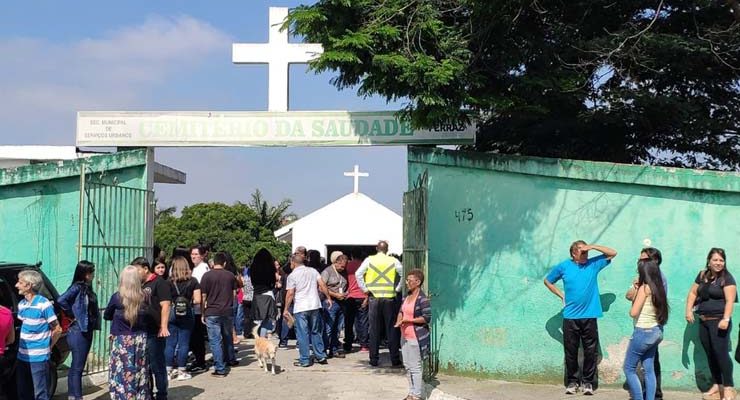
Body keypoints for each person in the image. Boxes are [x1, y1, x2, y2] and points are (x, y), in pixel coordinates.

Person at [543, 240, 618, 395]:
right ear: (573, 253)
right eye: (582, 252)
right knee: (571, 351)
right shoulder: (564, 266)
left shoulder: (593, 264)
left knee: (591, 351)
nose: (586, 254)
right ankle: (572, 382)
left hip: (590, 316)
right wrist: (561, 295)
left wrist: (593, 246)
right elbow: (548, 281)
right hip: (570, 317)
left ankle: (588, 383)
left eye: (586, 252)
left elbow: (613, 253)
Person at [686, 248, 736, 400]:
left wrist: (726, 319)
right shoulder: (702, 275)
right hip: (703, 321)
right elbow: (693, 293)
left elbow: (730, 301)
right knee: (710, 355)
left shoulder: (727, 278)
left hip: (719, 321)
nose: (718, 263)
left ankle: (728, 387)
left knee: (721, 354)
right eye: (715, 260)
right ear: (709, 261)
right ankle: (717, 384)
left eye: (721, 260)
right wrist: (688, 310)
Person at [623, 259, 668, 400]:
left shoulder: (644, 288)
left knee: (629, 368)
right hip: (656, 331)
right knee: (649, 370)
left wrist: (637, 289)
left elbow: (633, 312)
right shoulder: (658, 287)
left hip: (643, 331)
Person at [104, 265, 150, 400]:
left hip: (122, 340)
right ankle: (139, 395)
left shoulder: (117, 297)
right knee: (140, 369)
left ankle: (121, 395)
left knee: (121, 369)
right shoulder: (145, 297)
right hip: (140, 339)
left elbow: (107, 315)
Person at [14, 270, 62, 400]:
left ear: (29, 285)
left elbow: (57, 329)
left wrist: (48, 347)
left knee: (40, 393)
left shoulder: (43, 304)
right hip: (22, 356)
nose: (16, 285)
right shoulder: (22, 305)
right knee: (23, 392)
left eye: (20, 282)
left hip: (38, 358)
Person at [57, 261, 101, 400]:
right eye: (90, 272)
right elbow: (61, 300)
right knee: (77, 366)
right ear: (84, 273)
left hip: (86, 330)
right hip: (77, 331)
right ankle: (76, 396)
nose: (92, 275)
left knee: (78, 366)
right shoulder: (77, 287)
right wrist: (72, 314)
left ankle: (74, 395)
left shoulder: (87, 288)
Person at [356, 241, 404, 367]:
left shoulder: (369, 260)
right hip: (389, 297)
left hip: (374, 298)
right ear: (387, 249)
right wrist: (397, 289)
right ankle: (395, 359)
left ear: (376, 248)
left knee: (374, 330)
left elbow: (358, 274)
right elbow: (403, 274)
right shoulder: (393, 261)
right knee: (391, 329)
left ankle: (373, 359)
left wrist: (365, 289)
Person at [132, 257, 171, 400]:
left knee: (157, 364)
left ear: (145, 269)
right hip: (141, 329)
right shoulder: (139, 284)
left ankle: (162, 393)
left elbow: (166, 305)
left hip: (155, 331)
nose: (135, 274)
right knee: (144, 365)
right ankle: (147, 392)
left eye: (137, 270)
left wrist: (163, 326)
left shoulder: (159, 283)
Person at [284, 253, 333, 367]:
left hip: (301, 307)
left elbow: (290, 293)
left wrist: (286, 308)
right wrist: (328, 298)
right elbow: (322, 285)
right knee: (316, 331)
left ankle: (305, 359)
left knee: (302, 334)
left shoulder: (292, 276)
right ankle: (320, 356)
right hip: (315, 305)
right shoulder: (313, 271)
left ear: (293, 263)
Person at [395, 269, 432, 400]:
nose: (407, 283)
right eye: (407, 280)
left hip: (416, 337)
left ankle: (417, 395)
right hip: (404, 335)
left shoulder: (423, 299)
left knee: (415, 366)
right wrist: (399, 320)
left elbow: (426, 318)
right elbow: (401, 310)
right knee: (407, 365)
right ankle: (411, 392)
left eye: (410, 280)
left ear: (418, 282)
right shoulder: (406, 297)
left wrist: (408, 320)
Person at [200, 252, 238, 377]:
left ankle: (220, 368)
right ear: (225, 263)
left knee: (215, 340)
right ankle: (231, 359)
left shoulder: (206, 276)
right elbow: (234, 294)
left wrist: (202, 312)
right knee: (227, 337)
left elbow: (203, 296)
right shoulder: (230, 276)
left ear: (213, 263)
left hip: (212, 311)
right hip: (227, 310)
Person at [164, 256, 201, 381]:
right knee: (184, 343)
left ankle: (168, 371)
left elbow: (166, 301)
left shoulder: (168, 282)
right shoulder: (193, 281)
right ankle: (181, 370)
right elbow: (198, 300)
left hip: (172, 311)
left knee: (170, 343)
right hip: (187, 313)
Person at [322, 252, 348, 358]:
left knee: (337, 328)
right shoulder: (327, 272)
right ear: (336, 263)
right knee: (328, 327)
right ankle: (323, 350)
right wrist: (335, 295)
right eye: (341, 266)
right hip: (330, 302)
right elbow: (321, 287)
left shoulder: (344, 272)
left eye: (344, 267)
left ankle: (334, 349)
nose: (343, 269)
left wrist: (346, 293)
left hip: (341, 302)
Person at [188, 245, 210, 373]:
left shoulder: (202, 269)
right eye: (192, 254)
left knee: (197, 336)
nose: (193, 256)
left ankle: (200, 362)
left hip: (198, 307)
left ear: (202, 255)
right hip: (195, 307)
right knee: (195, 336)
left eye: (196, 254)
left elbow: (202, 291)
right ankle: (198, 359)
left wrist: (202, 309)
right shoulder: (196, 268)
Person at [344, 251, 369, 353]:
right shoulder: (365, 265)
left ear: (352, 255)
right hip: (363, 296)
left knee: (349, 322)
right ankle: (364, 345)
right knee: (363, 322)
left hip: (350, 296)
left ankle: (348, 344)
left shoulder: (347, 266)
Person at [250, 248, 279, 338]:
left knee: (258, 320)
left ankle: (259, 340)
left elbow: (252, 281)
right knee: (267, 320)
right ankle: (263, 338)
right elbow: (273, 281)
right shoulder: (270, 268)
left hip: (257, 294)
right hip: (268, 293)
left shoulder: (253, 268)